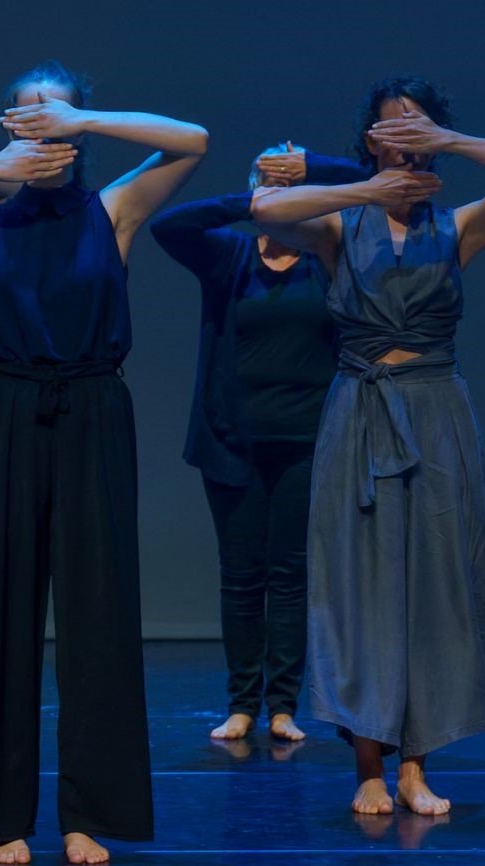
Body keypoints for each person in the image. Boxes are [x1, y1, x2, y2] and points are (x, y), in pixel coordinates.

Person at [0, 60, 207, 865]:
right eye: (25, 115)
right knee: (3, 611)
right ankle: (5, 814)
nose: (41, 126)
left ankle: (88, 811)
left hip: (92, 407)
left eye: (54, 115)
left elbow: (191, 142)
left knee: (96, 614)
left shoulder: (113, 210)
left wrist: (83, 121)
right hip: (8, 411)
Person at [251, 75, 485, 816]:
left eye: (418, 125)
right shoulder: (337, 224)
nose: (406, 135)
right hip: (358, 408)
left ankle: (414, 765)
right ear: (369, 142)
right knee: (360, 586)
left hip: (434, 412)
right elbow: (260, 208)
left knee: (432, 585)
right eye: (393, 127)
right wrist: (364, 187)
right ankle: (365, 765)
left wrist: (445, 144)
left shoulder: (457, 227)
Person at [150, 144, 367, 744]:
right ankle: (242, 702)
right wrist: (249, 202)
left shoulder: (330, 254)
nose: (277, 192)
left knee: (291, 575)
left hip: (306, 442)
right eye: (264, 181)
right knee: (242, 575)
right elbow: (169, 225)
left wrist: (315, 177)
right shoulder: (230, 255)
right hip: (232, 442)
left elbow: (375, 186)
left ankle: (282, 706)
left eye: (287, 183)